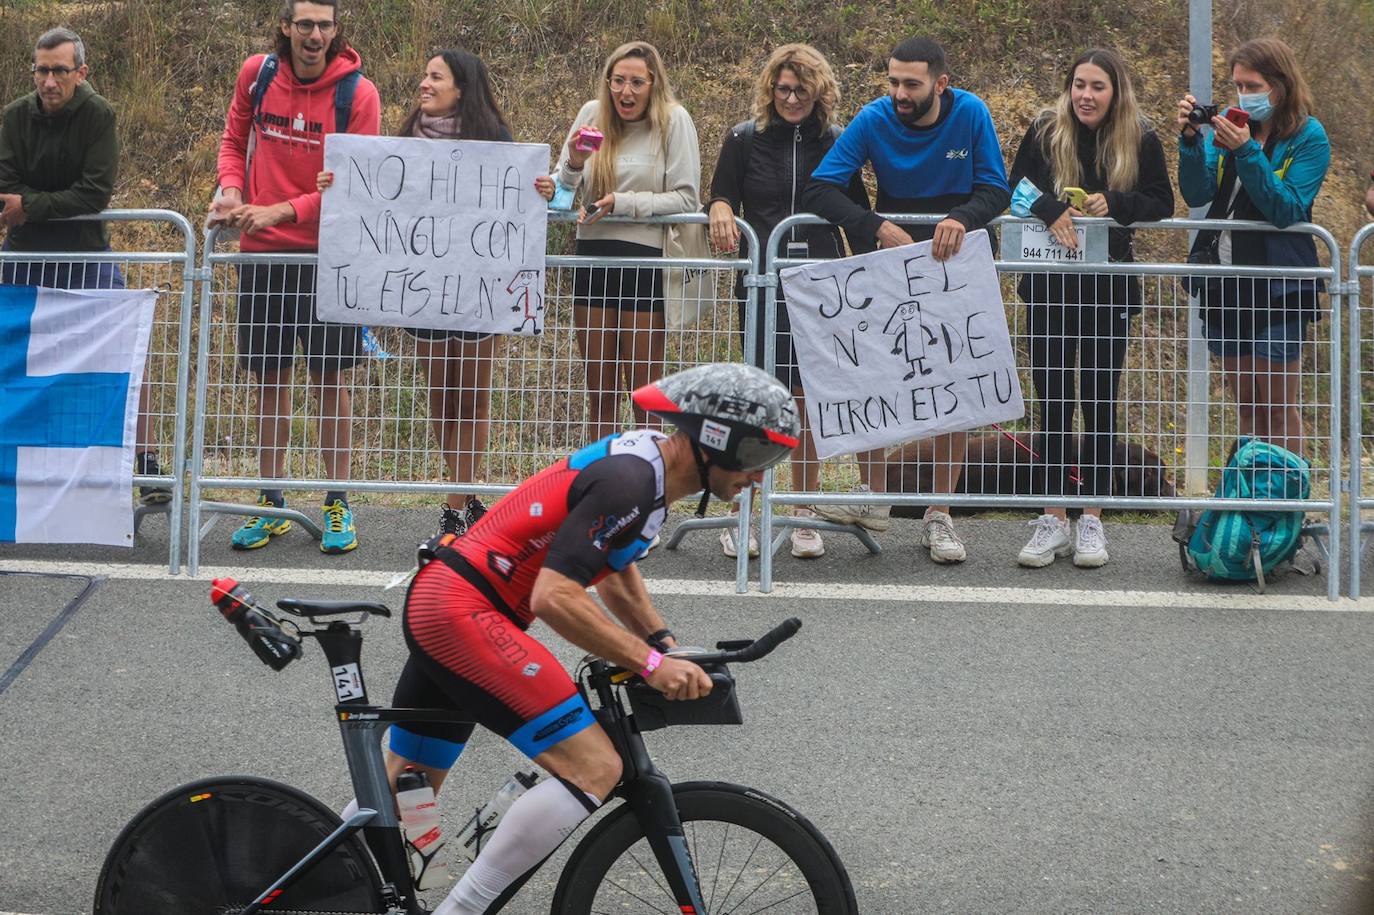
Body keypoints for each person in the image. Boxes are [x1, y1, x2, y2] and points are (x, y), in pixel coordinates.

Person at [347, 363, 798, 915]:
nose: (759, 476)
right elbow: (554, 598)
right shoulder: (630, 481)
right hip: (465, 612)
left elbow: (612, 565)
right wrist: (651, 662)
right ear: (713, 441)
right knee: (596, 768)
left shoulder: (651, 470)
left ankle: (305, 877)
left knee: (405, 785)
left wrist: (662, 640)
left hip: (452, 603)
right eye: (757, 458)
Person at [317, 49, 551, 538]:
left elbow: (520, 202)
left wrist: (543, 190)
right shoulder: (402, 142)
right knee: (442, 397)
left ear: (461, 88)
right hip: (424, 291)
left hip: (480, 294)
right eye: (424, 75)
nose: (424, 83)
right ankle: (462, 494)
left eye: (435, 77)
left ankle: (456, 503)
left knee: (474, 398)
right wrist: (335, 185)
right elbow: (372, 198)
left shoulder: (495, 143)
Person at [800, 35, 1010, 564]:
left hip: (955, 256)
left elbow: (996, 188)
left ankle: (940, 512)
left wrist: (963, 218)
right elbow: (820, 187)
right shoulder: (873, 118)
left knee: (953, 385)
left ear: (941, 84)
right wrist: (873, 225)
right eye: (892, 81)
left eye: (910, 84)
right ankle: (875, 498)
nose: (899, 92)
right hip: (891, 258)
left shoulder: (971, 114)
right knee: (881, 376)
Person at [207, 0, 380, 554]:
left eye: (323, 25)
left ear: (336, 29)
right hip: (264, 258)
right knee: (271, 381)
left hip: (328, 258)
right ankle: (271, 501)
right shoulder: (256, 75)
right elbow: (234, 142)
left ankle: (337, 502)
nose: (313, 35)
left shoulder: (359, 93)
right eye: (304, 24)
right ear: (285, 27)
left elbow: (356, 184)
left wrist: (281, 210)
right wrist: (232, 189)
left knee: (331, 382)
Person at [1008, 48, 1174, 569]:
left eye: (1097, 86)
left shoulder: (1141, 137)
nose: (1086, 95)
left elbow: (1161, 202)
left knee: (1100, 402)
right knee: (1053, 400)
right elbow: (1010, 186)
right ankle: (1053, 517)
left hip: (1108, 293)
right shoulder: (1043, 130)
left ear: (1115, 91)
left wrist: (1115, 205)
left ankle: (1093, 519)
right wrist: (1049, 207)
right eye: (1079, 84)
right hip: (1049, 290)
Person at [706, 42, 872, 561]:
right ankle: (748, 508)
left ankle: (803, 508)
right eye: (783, 88)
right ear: (769, 89)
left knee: (809, 396)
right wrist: (719, 210)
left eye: (801, 88)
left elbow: (857, 213)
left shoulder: (838, 142)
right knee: (760, 397)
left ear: (819, 90)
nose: (791, 98)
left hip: (821, 286)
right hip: (761, 282)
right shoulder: (743, 138)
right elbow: (721, 192)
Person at [0, 28, 169, 504]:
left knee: (126, 349)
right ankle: (16, 463)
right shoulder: (15, 116)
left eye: (59, 70)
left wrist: (29, 205)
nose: (49, 81)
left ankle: (146, 460)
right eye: (41, 70)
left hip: (85, 253)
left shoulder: (98, 114)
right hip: (26, 256)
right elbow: (5, 185)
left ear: (81, 73)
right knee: (15, 359)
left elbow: (95, 193)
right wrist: (35, 206)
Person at [1178, 37, 1329, 459]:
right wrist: (1191, 140)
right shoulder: (1231, 120)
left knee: (1280, 409)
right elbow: (1197, 192)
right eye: (1238, 85)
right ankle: (1253, 505)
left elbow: (1286, 208)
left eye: (1253, 85)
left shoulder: (1307, 135)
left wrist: (1246, 149)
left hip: (1278, 285)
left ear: (1279, 86)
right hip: (1225, 281)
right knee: (1247, 406)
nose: (1243, 95)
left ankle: (1288, 507)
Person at [549, 41, 701, 441]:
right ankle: (607, 488)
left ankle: (647, 490)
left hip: (644, 260)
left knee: (643, 396)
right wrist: (571, 166)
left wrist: (622, 202)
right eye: (618, 81)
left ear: (653, 84)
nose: (625, 92)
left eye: (636, 82)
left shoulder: (674, 120)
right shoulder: (591, 114)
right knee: (600, 394)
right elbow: (563, 193)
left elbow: (686, 198)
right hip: (592, 258)